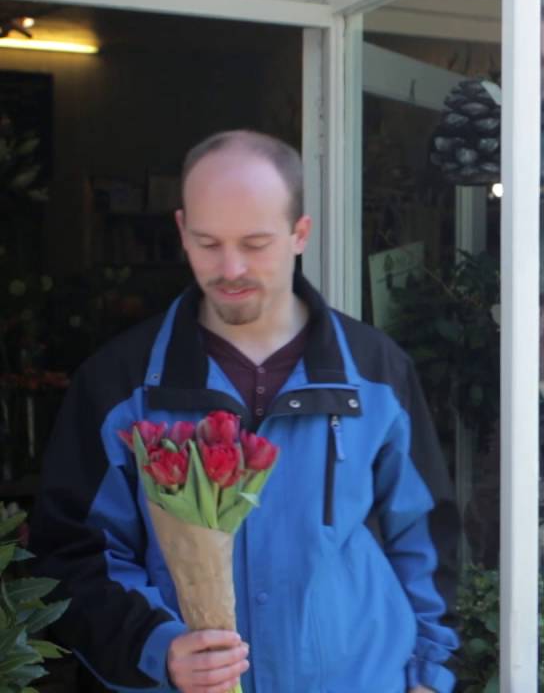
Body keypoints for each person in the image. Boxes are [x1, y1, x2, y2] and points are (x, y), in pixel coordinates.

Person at [29, 130, 460, 693]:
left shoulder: (376, 372)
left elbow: (425, 538)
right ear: (181, 230)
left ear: (300, 233)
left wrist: (429, 676)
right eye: (208, 243)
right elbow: (72, 556)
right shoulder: (119, 385)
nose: (230, 268)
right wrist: (155, 647)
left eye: (255, 244)